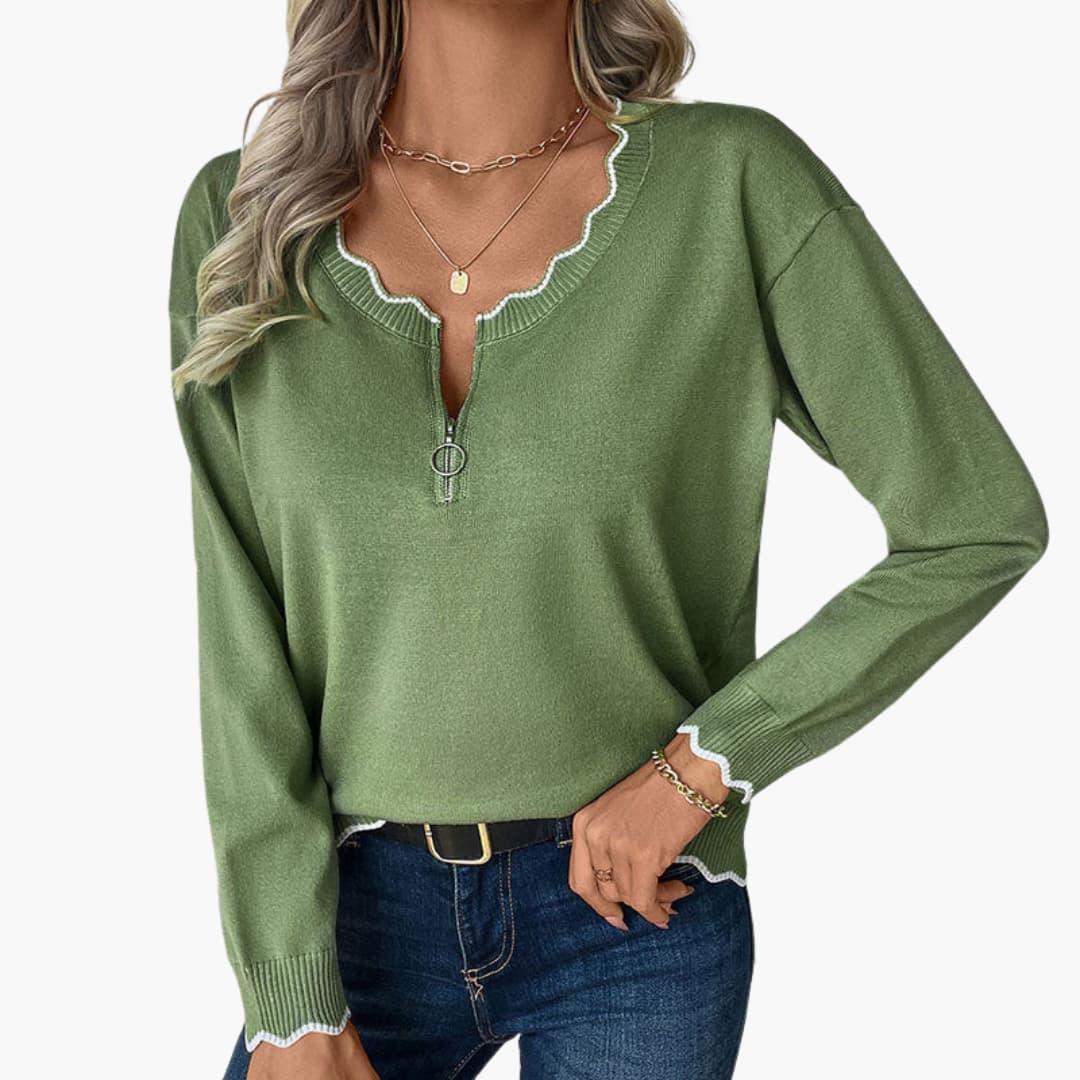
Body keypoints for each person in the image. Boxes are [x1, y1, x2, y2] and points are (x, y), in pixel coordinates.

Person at [167, 1, 1049, 1077]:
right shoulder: (246, 216)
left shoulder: (732, 184)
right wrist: (288, 992)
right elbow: (241, 632)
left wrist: (704, 767)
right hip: (349, 917)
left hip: (638, 912)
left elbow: (974, 523)